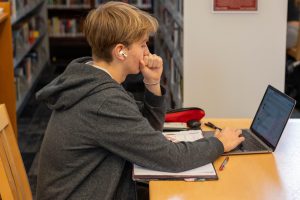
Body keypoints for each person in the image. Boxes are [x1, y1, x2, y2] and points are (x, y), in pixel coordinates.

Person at [35, 2, 244, 200]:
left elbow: (148, 130)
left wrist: (152, 84)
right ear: (120, 51)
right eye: (143, 44)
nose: (148, 52)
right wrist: (219, 143)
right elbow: (170, 158)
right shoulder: (104, 101)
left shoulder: (91, 78)